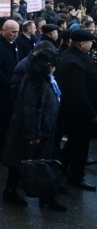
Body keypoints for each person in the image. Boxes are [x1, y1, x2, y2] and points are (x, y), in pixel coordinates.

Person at [1, 49, 66, 211]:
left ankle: (45, 196)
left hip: (43, 128)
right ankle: (13, 192)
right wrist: (34, 134)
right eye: (53, 66)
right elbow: (32, 108)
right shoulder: (35, 80)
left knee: (33, 162)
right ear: (47, 65)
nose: (55, 69)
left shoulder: (44, 78)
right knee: (25, 162)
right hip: (32, 130)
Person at [57, 29, 97, 191]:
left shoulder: (77, 55)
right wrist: (91, 114)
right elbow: (77, 93)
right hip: (78, 113)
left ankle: (61, 165)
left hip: (77, 111)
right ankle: (76, 176)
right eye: (90, 42)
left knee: (73, 143)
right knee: (80, 145)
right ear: (82, 44)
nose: (92, 44)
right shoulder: (73, 61)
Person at [0, 19, 20, 160]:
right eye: (13, 32)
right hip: (2, 91)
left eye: (17, 32)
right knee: (1, 124)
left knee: (9, 123)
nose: (16, 35)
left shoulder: (13, 44)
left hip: (11, 90)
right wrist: (9, 83)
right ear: (4, 30)